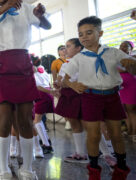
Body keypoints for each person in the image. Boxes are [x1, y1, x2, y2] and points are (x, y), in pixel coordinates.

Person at [0, 0, 51, 179]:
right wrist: (0, 11)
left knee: (25, 119)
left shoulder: (27, 9)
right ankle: (3, 168)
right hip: (0, 64)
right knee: (4, 118)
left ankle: (27, 167)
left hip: (22, 62)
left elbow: (47, 26)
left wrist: (41, 16)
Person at [63, 16, 136, 180]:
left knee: (116, 134)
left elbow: (132, 66)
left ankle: (121, 169)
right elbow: (65, 78)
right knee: (94, 135)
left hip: (112, 96)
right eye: (81, 34)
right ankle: (94, 170)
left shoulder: (113, 52)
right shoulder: (78, 58)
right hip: (91, 98)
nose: (84, 37)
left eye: (89, 32)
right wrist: (74, 85)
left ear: (100, 33)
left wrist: (131, 65)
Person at [54, 38, 88, 163]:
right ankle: (80, 153)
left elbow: (80, 81)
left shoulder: (85, 61)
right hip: (68, 95)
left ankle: (106, 153)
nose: (65, 49)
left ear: (78, 48)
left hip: (81, 95)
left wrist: (66, 83)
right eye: (64, 46)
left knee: (89, 125)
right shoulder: (64, 64)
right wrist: (58, 84)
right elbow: (61, 80)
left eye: (68, 46)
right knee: (74, 123)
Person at [32, 55, 56, 155]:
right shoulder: (42, 70)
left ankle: (47, 145)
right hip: (46, 95)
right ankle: (46, 140)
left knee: (37, 121)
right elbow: (48, 84)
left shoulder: (33, 72)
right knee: (39, 120)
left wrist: (50, 92)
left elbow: (37, 86)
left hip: (42, 95)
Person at [118, 41, 136, 142]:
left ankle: (134, 133)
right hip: (120, 87)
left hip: (131, 85)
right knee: (124, 111)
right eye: (121, 46)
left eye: (126, 46)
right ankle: (129, 131)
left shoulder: (133, 58)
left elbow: (130, 70)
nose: (123, 47)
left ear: (131, 49)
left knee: (132, 111)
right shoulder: (117, 59)